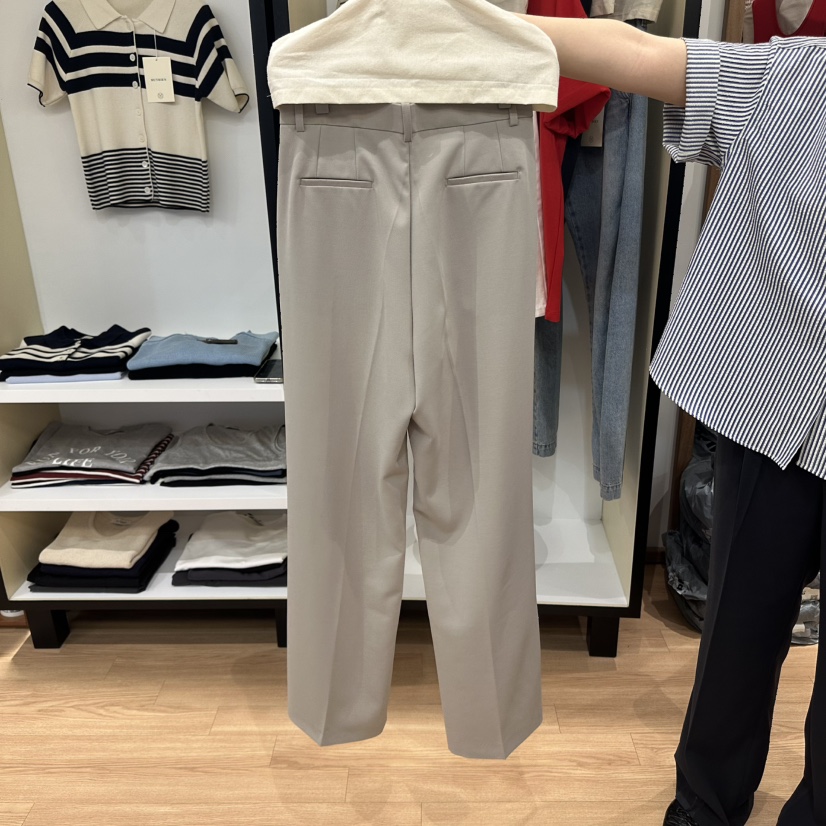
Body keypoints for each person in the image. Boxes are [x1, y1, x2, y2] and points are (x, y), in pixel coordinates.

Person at [515, 13, 826, 826]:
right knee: (739, 632)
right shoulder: (795, 76)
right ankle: (703, 807)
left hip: (780, 410)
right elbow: (640, 52)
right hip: (772, 410)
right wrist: (472, 20)